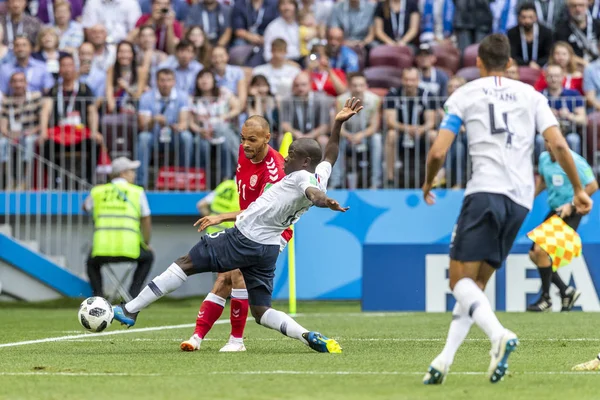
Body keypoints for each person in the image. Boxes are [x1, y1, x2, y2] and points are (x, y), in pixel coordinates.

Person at [113, 98, 364, 355]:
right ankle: (306, 334)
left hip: (246, 237)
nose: (285, 159)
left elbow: (312, 194)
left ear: (304, 162)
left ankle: (130, 309)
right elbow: (331, 152)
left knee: (186, 263)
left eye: (291, 156)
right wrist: (337, 123)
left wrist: (325, 202)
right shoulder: (320, 173)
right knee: (261, 311)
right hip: (266, 248)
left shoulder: (298, 176)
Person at [421, 34, 593, 385]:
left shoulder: (465, 94)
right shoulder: (532, 95)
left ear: (479, 63)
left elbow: (438, 151)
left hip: (485, 191)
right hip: (520, 200)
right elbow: (558, 143)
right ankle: (444, 360)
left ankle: (499, 335)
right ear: (510, 62)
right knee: (476, 286)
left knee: (458, 281)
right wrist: (578, 189)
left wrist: (427, 182)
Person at [180, 121, 289, 353]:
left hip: (270, 231)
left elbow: (261, 211)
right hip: (245, 227)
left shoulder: (275, 170)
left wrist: (222, 217)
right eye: (243, 138)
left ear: (267, 138)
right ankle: (197, 336)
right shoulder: (243, 154)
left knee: (237, 273)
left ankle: (236, 341)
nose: (245, 144)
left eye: (251, 139)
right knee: (224, 279)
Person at [527, 139, 597, 312]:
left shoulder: (574, 160)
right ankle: (566, 292)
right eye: (546, 142)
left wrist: (572, 204)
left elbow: (593, 185)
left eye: (551, 142)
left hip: (571, 210)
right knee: (533, 255)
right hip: (554, 210)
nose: (548, 146)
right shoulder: (544, 158)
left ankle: (546, 299)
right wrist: (529, 198)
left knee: (540, 251)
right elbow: (543, 180)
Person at [84, 157, 154, 299]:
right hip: (130, 249)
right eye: (131, 171)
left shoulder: (98, 191)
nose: (134, 174)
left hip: (101, 250)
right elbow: (146, 219)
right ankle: (133, 297)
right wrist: (146, 243)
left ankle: (99, 296)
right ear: (122, 173)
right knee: (148, 257)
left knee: (90, 263)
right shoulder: (137, 192)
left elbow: (85, 207)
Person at [507, 3, 553, 69]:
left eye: (530, 17)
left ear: (536, 17)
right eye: (524, 17)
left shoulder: (546, 32)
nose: (527, 21)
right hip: (519, 68)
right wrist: (528, 64)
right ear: (518, 18)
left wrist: (537, 64)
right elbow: (513, 55)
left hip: (541, 68)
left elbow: (548, 55)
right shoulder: (512, 32)